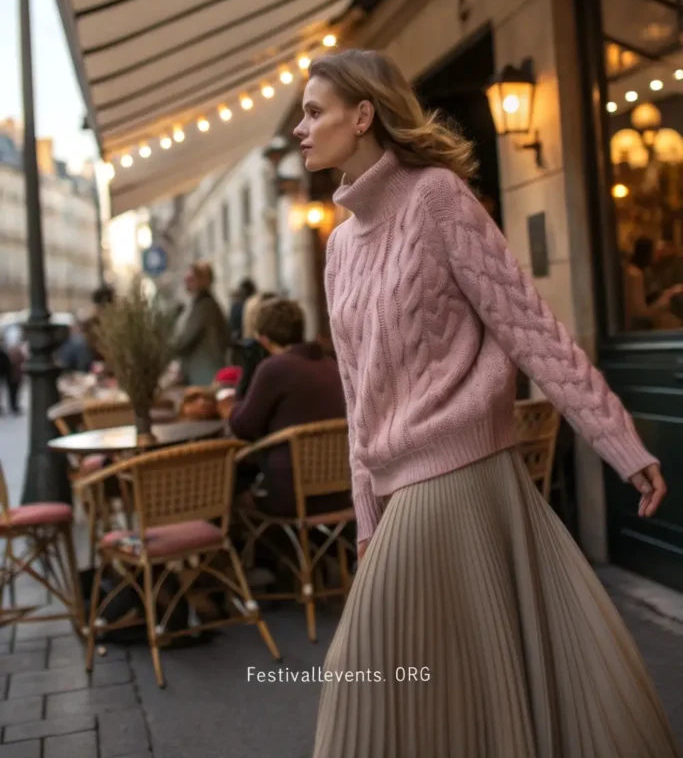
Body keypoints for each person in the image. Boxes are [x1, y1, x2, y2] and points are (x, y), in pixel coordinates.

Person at [293, 48, 679, 758]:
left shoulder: (436, 197)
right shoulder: (339, 246)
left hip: (461, 475)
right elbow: (358, 395)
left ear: (364, 114)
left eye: (315, 111)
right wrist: (367, 516)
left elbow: (529, 328)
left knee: (365, 683)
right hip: (402, 489)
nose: (301, 127)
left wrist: (616, 441)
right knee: (449, 683)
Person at [227, 297, 348, 517]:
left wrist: (242, 383)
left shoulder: (273, 368)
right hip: (342, 493)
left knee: (227, 484)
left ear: (264, 340)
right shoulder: (331, 365)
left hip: (292, 497)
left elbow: (242, 426)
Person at [174, 262, 231, 386]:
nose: (187, 282)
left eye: (191, 278)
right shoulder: (199, 304)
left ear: (204, 280)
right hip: (203, 372)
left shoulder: (205, 306)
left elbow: (184, 340)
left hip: (206, 374)